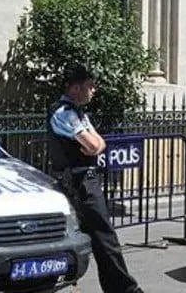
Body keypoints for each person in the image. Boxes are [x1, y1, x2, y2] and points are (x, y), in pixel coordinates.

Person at [47, 63, 143, 293]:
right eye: (90, 86)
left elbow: (100, 144)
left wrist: (95, 145)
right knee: (104, 237)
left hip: (85, 179)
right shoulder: (64, 113)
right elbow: (92, 145)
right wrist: (94, 145)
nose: (93, 91)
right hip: (77, 182)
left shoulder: (78, 113)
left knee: (102, 238)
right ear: (76, 88)